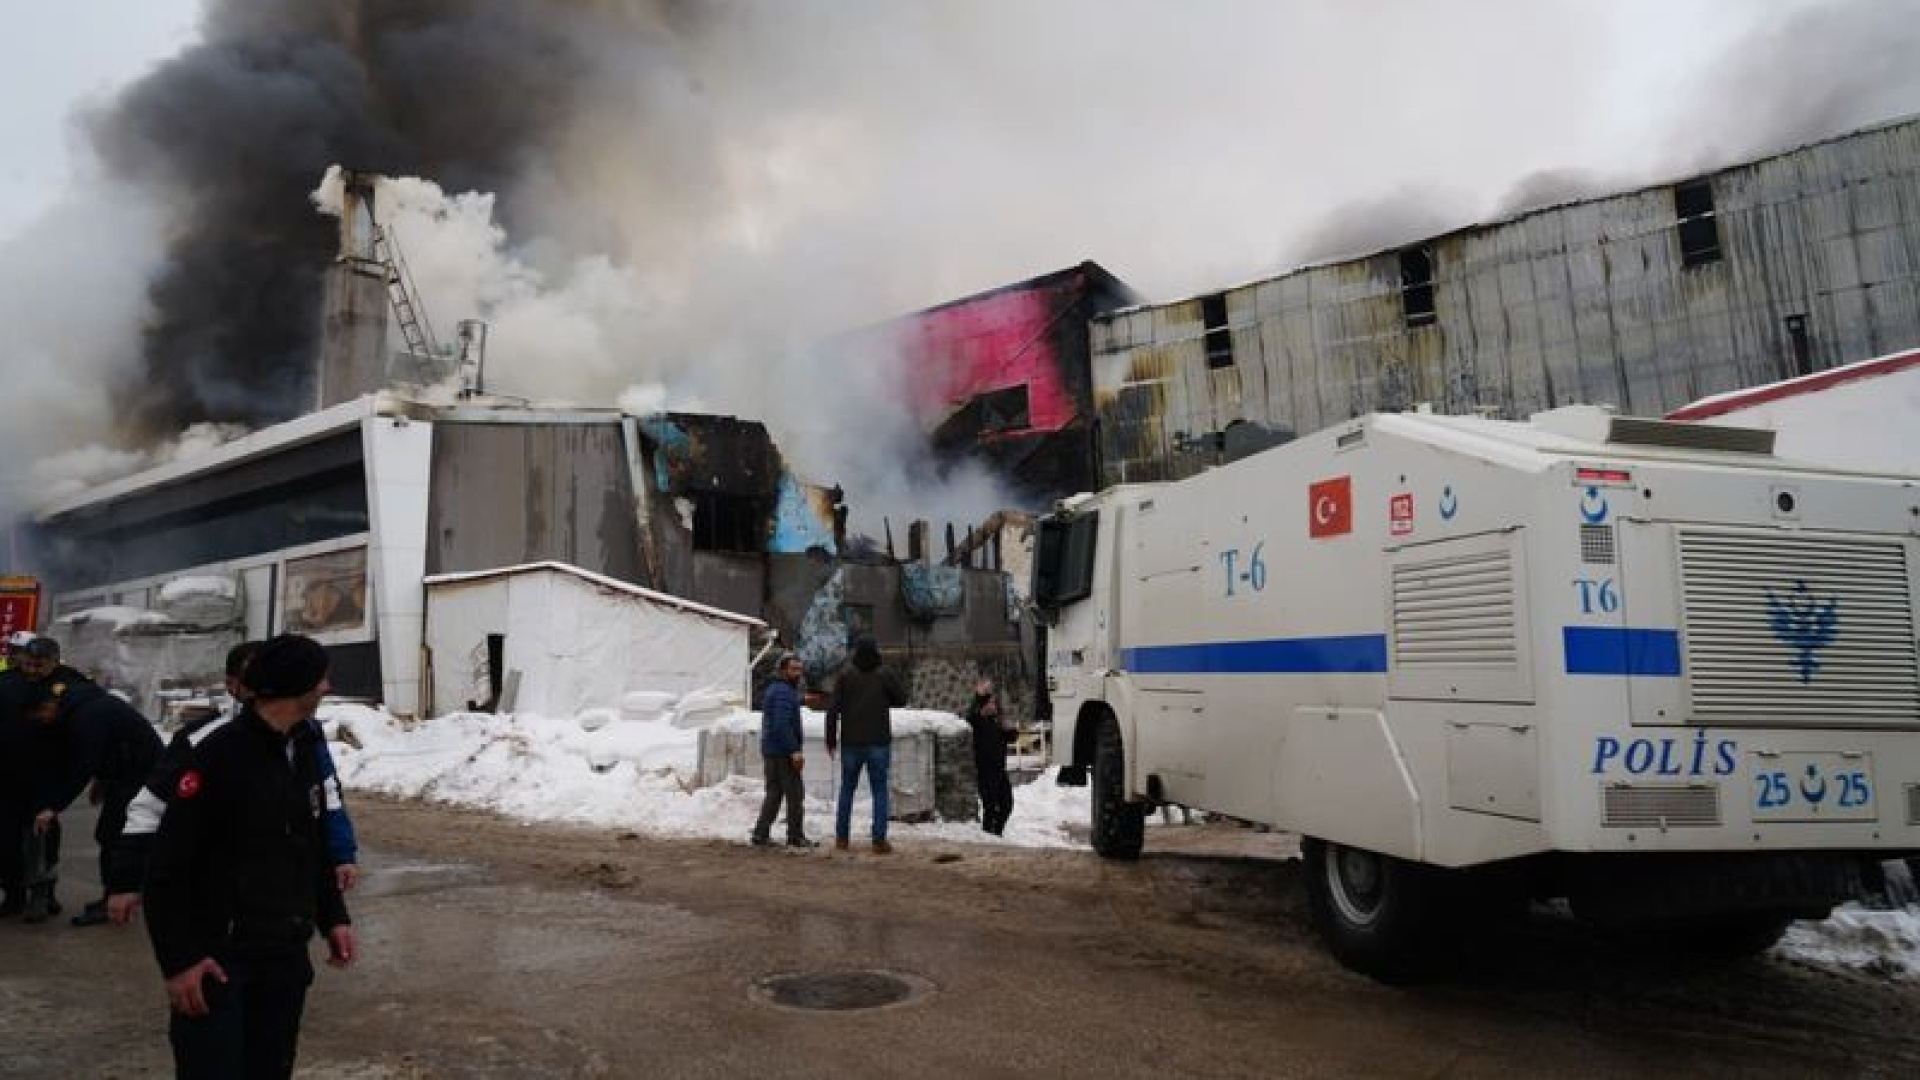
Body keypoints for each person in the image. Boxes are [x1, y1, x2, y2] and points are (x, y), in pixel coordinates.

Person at [139, 633, 356, 1079]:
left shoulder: (303, 750)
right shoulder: (219, 755)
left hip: (283, 955)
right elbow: (166, 867)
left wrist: (333, 916)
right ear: (297, 686)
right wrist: (179, 961)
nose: (326, 688)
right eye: (320, 679)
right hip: (220, 962)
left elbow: (309, 843)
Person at [27, 680, 163, 927]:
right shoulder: (85, 706)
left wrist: (53, 807)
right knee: (112, 834)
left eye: (40, 713)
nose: (41, 720)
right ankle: (119, 893)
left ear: (51, 704)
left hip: (140, 775)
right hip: (129, 771)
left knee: (113, 836)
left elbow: (81, 767)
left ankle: (115, 898)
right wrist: (101, 781)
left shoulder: (85, 717)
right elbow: (109, 745)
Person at [824, 637, 907, 854]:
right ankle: (878, 840)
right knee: (880, 791)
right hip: (878, 741)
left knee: (847, 790)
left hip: (851, 742)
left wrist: (831, 739)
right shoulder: (884, 674)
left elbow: (832, 709)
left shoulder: (845, 675)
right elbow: (901, 699)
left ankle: (842, 839)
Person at [750, 653, 815, 849]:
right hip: (783, 752)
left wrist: (801, 700)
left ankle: (761, 834)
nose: (798, 673)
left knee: (774, 793)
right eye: (793, 669)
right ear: (783, 670)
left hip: (772, 749)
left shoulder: (779, 689)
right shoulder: (783, 692)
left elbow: (782, 710)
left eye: (800, 669)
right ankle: (795, 836)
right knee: (795, 794)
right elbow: (781, 723)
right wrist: (794, 750)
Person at [965, 678, 1016, 836]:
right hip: (985, 768)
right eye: (990, 703)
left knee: (1007, 804)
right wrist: (980, 700)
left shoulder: (997, 718)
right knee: (990, 805)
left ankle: (997, 831)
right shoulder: (977, 715)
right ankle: (989, 834)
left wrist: (1010, 729)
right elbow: (970, 717)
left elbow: (1011, 738)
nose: (992, 706)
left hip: (1000, 768)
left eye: (994, 703)